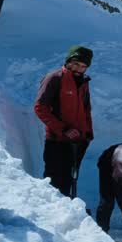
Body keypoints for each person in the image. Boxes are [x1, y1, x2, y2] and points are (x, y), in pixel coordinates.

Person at [34, 45, 94, 197]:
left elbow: (86, 110)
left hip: (78, 141)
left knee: (70, 179)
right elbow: (40, 108)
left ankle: (68, 211)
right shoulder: (54, 78)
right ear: (68, 61)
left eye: (83, 66)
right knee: (53, 181)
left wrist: (87, 134)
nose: (78, 69)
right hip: (58, 141)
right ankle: (50, 213)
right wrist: (63, 129)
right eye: (75, 64)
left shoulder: (83, 82)